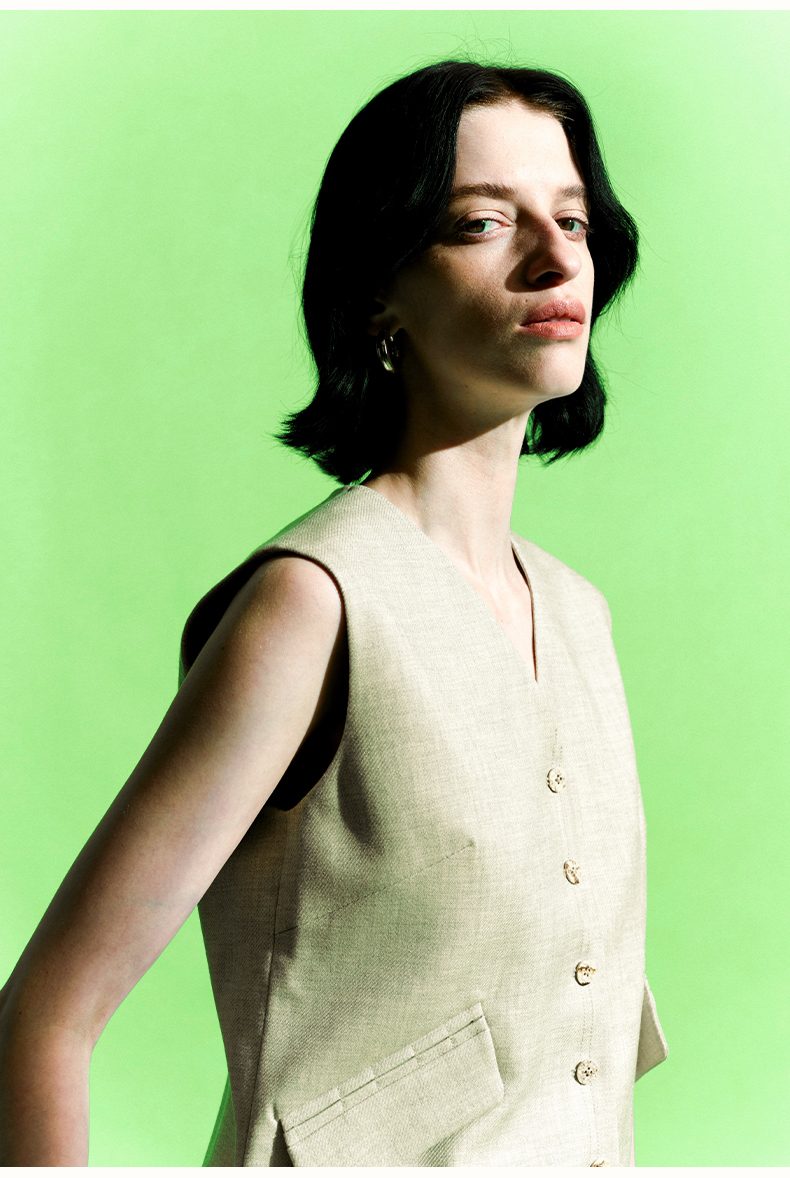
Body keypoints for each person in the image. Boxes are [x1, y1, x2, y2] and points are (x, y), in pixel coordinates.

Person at [0, 60, 668, 1167]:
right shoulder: (312, 601)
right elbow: (45, 1017)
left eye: (573, 220)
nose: (555, 259)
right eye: (482, 223)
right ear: (376, 295)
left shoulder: (578, 615)